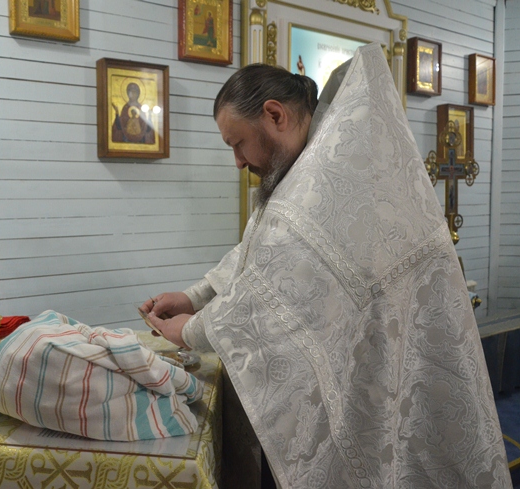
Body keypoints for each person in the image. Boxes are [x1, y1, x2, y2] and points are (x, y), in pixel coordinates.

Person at [141, 43, 511, 488]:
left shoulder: (329, 174)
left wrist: (191, 330)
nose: (237, 161)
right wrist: (195, 296)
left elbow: (274, 280)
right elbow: (259, 251)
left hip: (377, 364)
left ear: (274, 114)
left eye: (238, 143)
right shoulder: (306, 167)